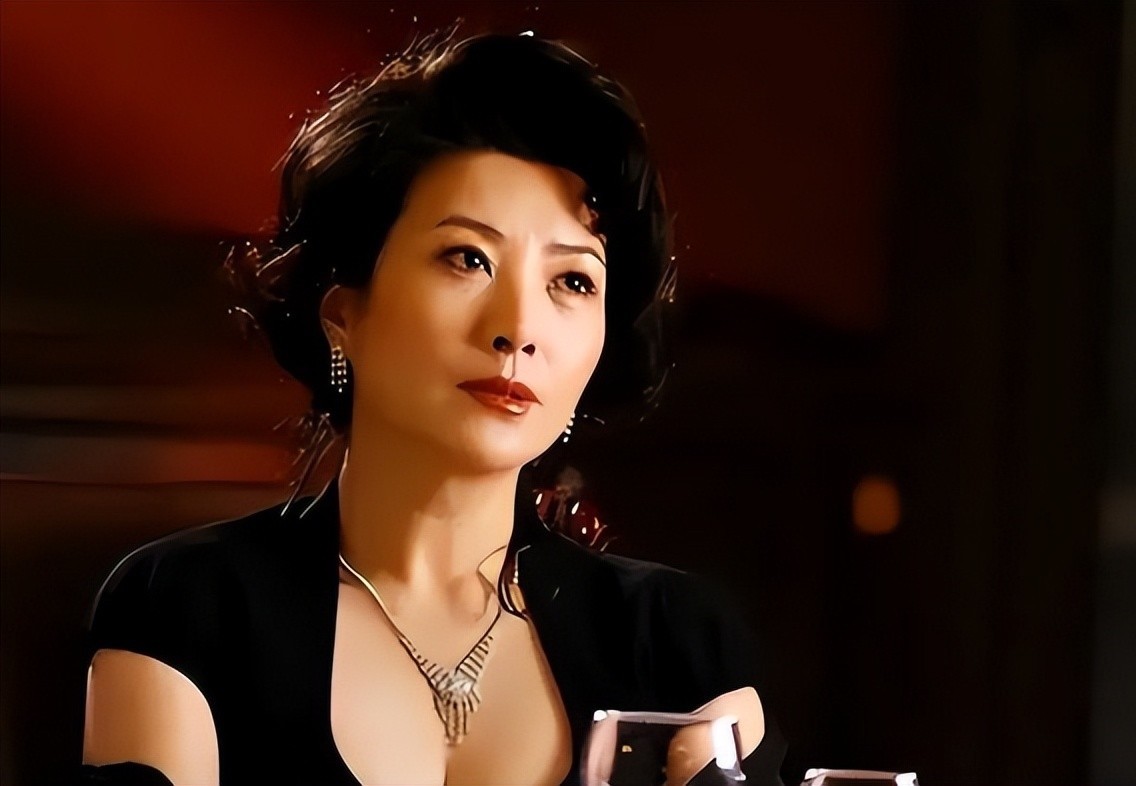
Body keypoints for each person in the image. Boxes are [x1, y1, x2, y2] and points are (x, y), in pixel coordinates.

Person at [79, 32, 786, 785]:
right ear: (343, 312)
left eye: (573, 282)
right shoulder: (187, 610)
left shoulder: (677, 643)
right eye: (467, 259)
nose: (519, 327)